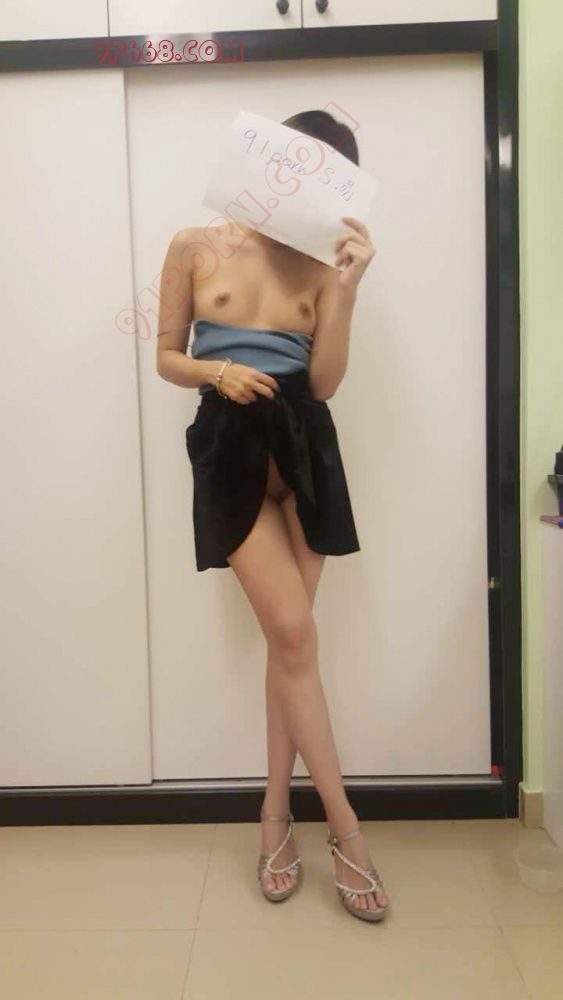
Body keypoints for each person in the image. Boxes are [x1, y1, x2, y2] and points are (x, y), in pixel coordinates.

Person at [156, 110, 390, 923]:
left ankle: (274, 816)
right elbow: (166, 356)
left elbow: (323, 385)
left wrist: (348, 288)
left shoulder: (325, 266)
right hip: (230, 445)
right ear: (269, 162)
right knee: (294, 638)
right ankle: (346, 832)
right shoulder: (195, 244)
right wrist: (216, 371)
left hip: (304, 446)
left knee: (290, 648)